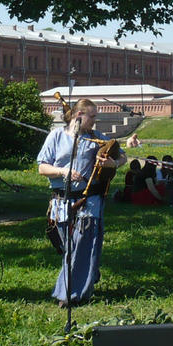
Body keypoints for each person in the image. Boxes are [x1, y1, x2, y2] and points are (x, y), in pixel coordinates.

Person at [37, 98, 125, 306]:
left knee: (82, 246)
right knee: (69, 248)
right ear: (79, 115)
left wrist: (114, 163)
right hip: (61, 202)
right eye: (91, 116)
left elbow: (122, 156)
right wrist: (63, 171)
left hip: (89, 201)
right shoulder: (57, 136)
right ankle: (89, 273)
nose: (94, 121)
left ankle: (69, 295)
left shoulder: (96, 138)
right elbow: (42, 168)